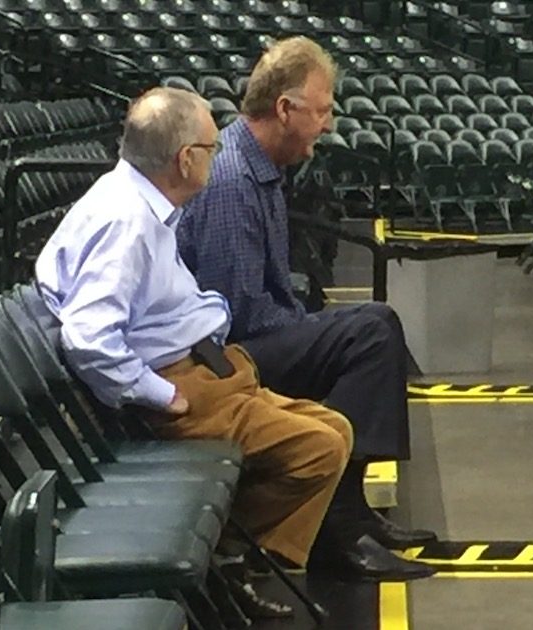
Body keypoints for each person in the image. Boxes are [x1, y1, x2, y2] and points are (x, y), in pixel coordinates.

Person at [33, 87, 352, 617]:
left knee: (336, 430)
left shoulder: (139, 204)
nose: (218, 155)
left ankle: (224, 564)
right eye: (211, 147)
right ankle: (223, 566)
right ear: (186, 159)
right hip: (185, 389)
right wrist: (162, 395)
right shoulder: (127, 223)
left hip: (213, 370)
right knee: (319, 450)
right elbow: (88, 336)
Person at [176, 37, 434, 581]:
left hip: (246, 339)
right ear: (285, 109)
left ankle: (352, 507)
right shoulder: (231, 182)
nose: (329, 123)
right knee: (370, 331)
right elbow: (236, 313)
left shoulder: (261, 169)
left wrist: (309, 325)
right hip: (224, 361)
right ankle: (337, 526)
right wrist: (311, 329)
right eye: (321, 110)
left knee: (368, 327)